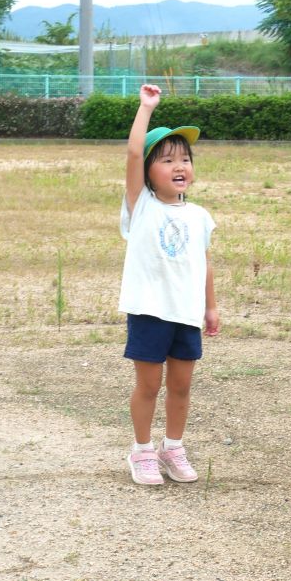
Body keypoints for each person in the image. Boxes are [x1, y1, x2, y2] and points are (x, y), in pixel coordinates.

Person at [119, 83, 219, 485]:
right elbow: (131, 152)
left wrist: (210, 306)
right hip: (149, 310)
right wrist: (147, 108)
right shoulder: (140, 205)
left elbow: (205, 263)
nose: (179, 166)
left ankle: (172, 447)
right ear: (147, 173)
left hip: (186, 312)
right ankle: (141, 451)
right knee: (149, 385)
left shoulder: (199, 216)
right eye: (166, 160)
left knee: (181, 386)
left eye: (185, 159)